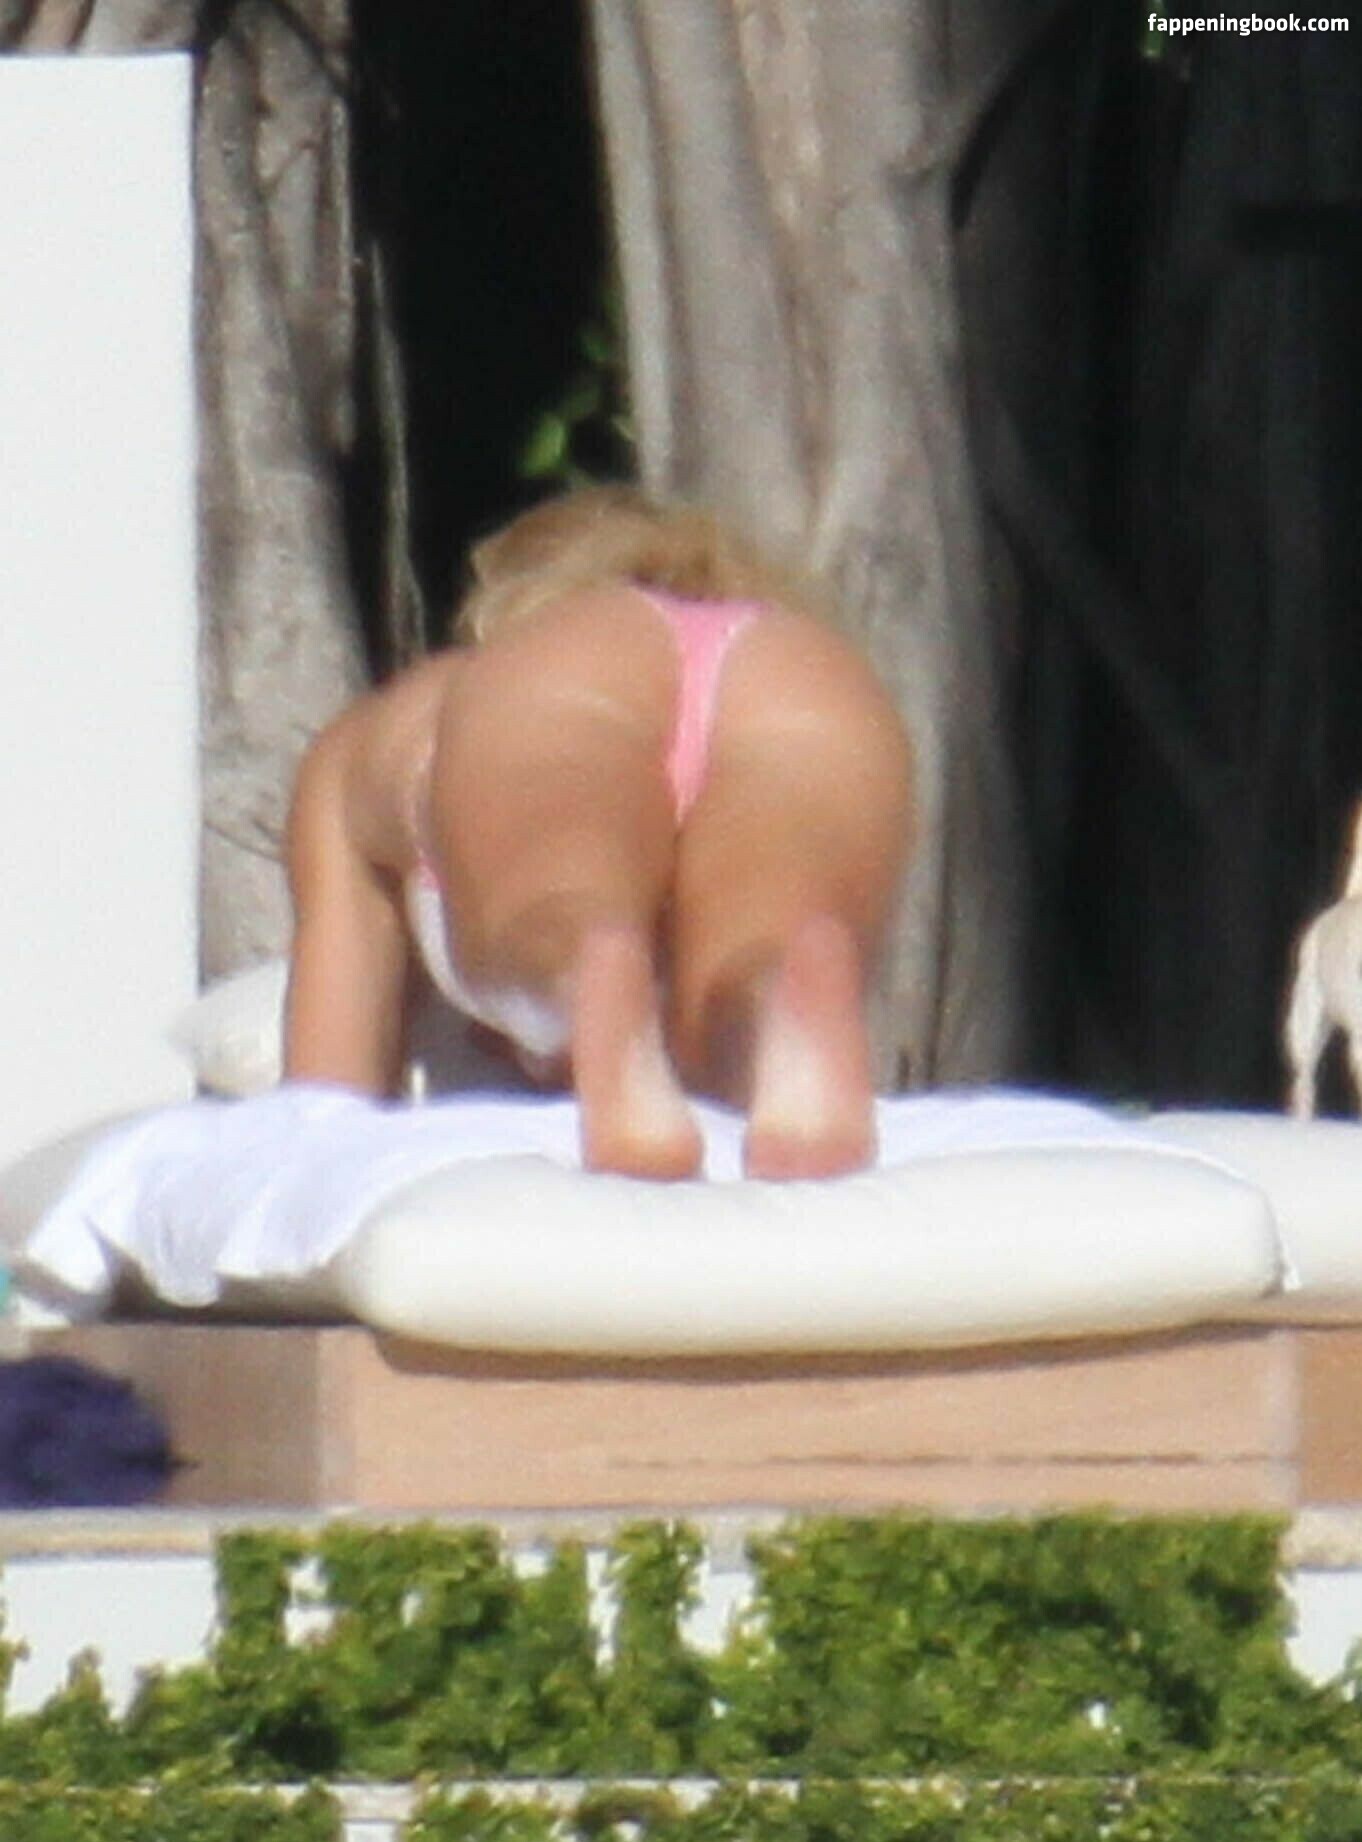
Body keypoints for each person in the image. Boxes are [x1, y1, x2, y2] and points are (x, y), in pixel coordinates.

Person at [284, 487, 912, 1180]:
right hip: (798, 675)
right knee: (765, 944)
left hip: (567, 684)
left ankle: (579, 974)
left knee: (554, 900)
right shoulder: (785, 640)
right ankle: (767, 1005)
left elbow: (322, 1113)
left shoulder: (426, 707)